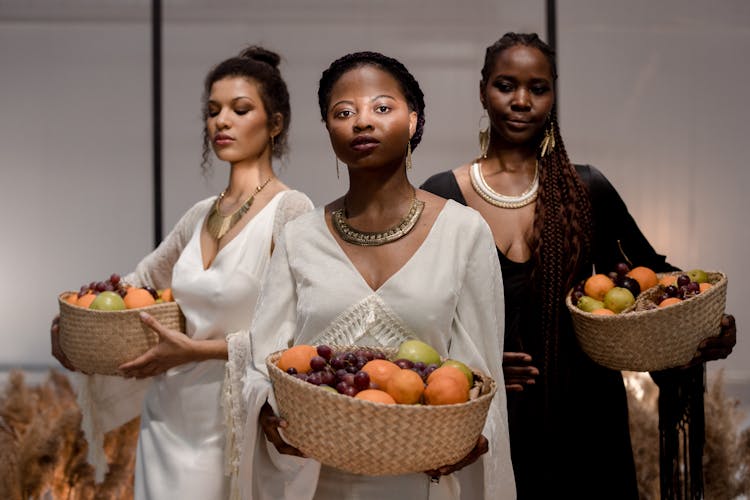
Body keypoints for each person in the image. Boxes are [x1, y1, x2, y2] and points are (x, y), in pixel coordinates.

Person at [421, 32, 736, 499]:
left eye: (538, 88)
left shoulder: (587, 189)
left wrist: (709, 321)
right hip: (493, 419)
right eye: (506, 85)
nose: (522, 100)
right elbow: (420, 313)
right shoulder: (441, 195)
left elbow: (655, 277)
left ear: (553, 94)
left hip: (588, 416)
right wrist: (474, 366)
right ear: (482, 89)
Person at [237, 51, 516, 500]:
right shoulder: (298, 237)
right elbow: (263, 362)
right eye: (343, 113)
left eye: (382, 108)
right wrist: (266, 414)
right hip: (317, 477)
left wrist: (470, 435)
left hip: (424, 478)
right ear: (329, 130)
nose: (361, 122)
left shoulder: (463, 232)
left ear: (412, 121)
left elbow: (481, 371)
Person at [50, 46, 313, 499]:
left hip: (231, 421)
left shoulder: (291, 211)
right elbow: (135, 285)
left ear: (276, 124)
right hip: (168, 416)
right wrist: (75, 327)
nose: (221, 121)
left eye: (240, 109)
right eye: (212, 112)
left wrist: (195, 350)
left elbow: (297, 333)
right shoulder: (199, 215)